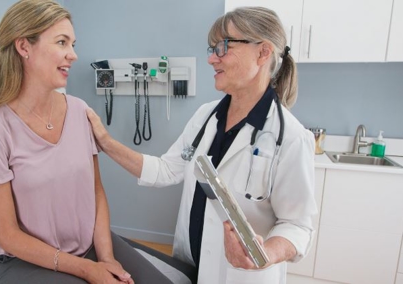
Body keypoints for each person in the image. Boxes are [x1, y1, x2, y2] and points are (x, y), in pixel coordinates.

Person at [86, 6, 318, 284]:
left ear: (263, 52)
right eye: (211, 49)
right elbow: (165, 170)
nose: (211, 59)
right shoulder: (206, 117)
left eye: (223, 47)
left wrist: (264, 255)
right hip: (189, 265)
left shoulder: (291, 137)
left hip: (240, 276)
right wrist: (106, 142)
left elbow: (297, 225)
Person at [0, 1, 173, 283]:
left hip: (87, 247)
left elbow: (96, 193)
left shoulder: (78, 110)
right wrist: (88, 269)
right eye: (62, 42)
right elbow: (8, 235)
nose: (73, 55)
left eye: (73, 44)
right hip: (22, 261)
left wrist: (107, 257)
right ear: (24, 47)